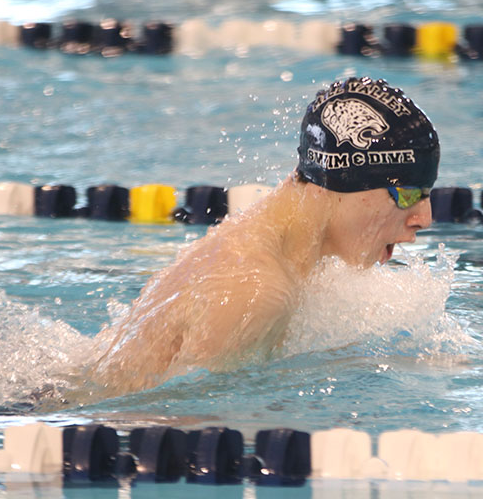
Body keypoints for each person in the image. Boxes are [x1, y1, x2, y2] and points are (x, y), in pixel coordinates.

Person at [91, 77, 440, 394]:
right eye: (407, 194)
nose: (424, 218)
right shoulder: (255, 292)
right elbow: (170, 435)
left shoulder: (274, 248)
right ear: (341, 182)